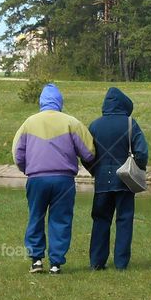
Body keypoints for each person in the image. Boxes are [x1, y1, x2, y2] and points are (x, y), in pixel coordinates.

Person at [12, 83, 95, 274]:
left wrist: (28, 169)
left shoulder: (29, 123)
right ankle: (56, 263)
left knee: (36, 217)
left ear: (41, 101)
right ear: (59, 102)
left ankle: (36, 260)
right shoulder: (71, 122)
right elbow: (89, 152)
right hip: (63, 180)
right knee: (61, 219)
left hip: (36, 179)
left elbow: (18, 153)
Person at [87, 87, 149, 271]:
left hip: (101, 181)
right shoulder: (130, 123)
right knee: (124, 220)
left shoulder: (95, 125)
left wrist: (94, 171)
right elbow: (142, 152)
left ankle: (97, 262)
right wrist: (138, 168)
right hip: (125, 180)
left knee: (100, 219)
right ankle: (121, 263)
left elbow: (87, 154)